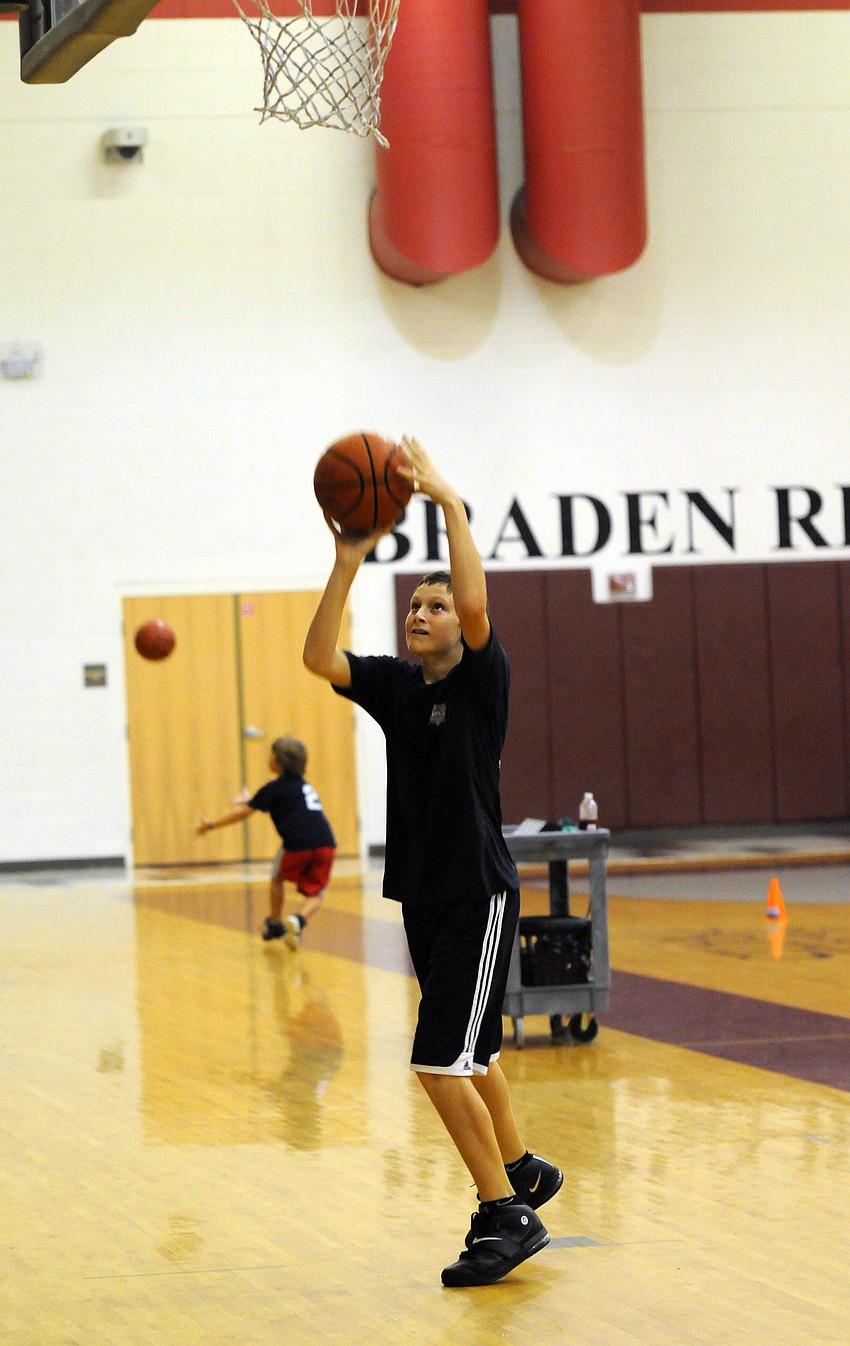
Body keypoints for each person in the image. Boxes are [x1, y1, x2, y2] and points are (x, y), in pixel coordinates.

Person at [302, 435, 562, 1288]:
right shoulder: (395, 684)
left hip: (478, 891)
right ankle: (522, 1168)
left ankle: (504, 1213)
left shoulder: (482, 679)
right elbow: (316, 657)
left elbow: (478, 601)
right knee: (472, 1053)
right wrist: (347, 559)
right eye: (413, 604)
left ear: (465, 626)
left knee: (436, 1060)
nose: (420, 613)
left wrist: (448, 502)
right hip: (424, 894)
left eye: (436, 606)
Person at [195, 736, 336, 949]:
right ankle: (298, 921)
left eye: (271, 754)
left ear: (278, 762)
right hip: (326, 842)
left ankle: (276, 923)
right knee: (317, 892)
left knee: (277, 877)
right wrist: (251, 799)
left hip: (297, 844)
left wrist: (211, 825)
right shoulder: (304, 786)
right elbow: (282, 804)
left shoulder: (274, 788)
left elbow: (243, 814)